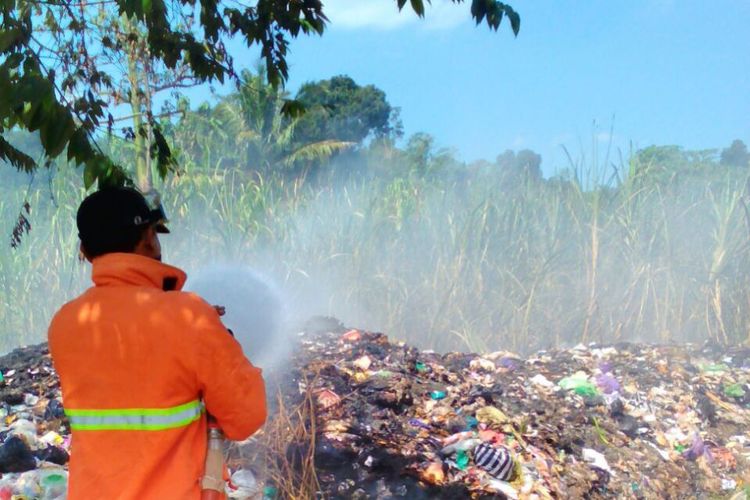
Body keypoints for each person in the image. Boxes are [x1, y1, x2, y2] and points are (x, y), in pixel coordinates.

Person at [47, 187, 267, 499]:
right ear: (149, 237)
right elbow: (245, 416)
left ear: (84, 250)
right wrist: (218, 338)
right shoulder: (187, 316)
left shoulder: (65, 324)